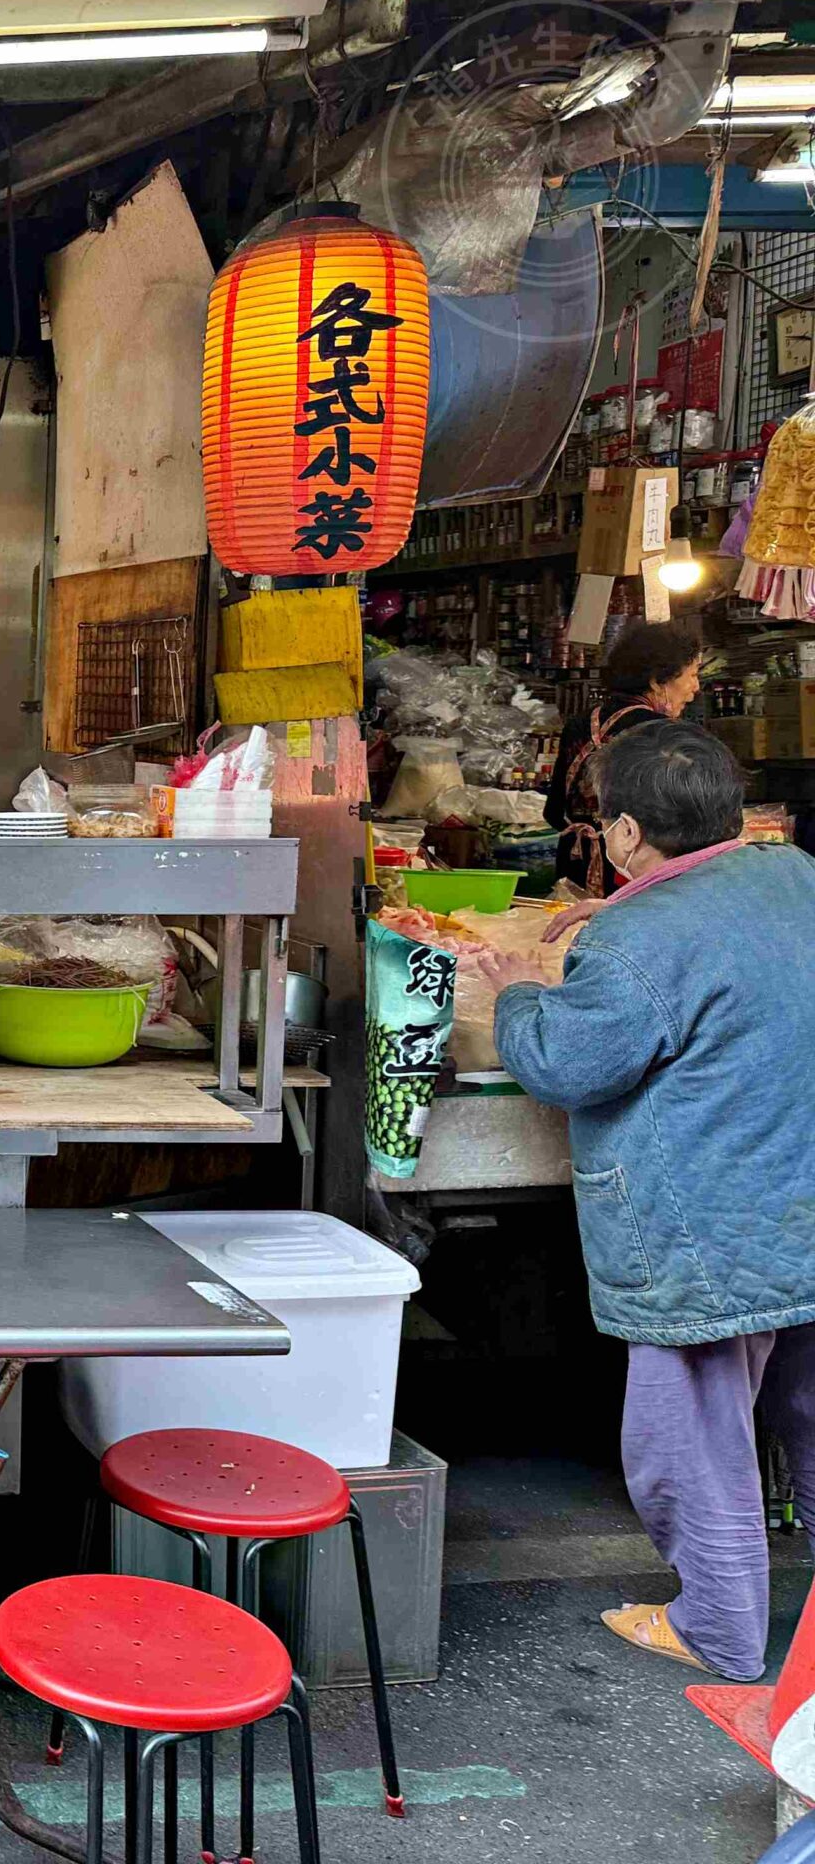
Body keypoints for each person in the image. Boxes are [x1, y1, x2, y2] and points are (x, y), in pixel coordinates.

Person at [481, 721, 815, 1683]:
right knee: (808, 1408)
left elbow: (564, 1065)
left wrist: (518, 992)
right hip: (802, 1201)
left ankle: (717, 1626)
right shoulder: (790, 872)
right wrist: (622, 924)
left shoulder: (634, 936)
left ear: (624, 835)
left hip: (708, 1226)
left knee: (693, 1431)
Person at [545, 622, 703, 893]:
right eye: (692, 675)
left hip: (575, 868)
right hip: (637, 878)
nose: (696, 687)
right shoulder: (665, 733)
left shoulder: (579, 724)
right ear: (657, 681)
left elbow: (553, 812)